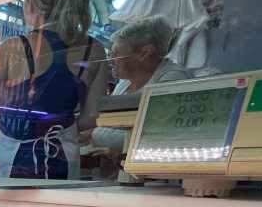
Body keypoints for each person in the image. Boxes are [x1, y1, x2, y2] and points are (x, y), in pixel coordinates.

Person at [0, 0, 108, 180]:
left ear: (32, 6)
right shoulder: (94, 49)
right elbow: (92, 117)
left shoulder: (10, 47)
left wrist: (15, 137)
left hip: (12, 156)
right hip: (63, 154)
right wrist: (61, 129)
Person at [82, 17, 192, 159]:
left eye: (116, 53)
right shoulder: (124, 83)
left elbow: (154, 135)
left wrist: (95, 135)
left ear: (145, 53)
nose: (110, 61)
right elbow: (109, 123)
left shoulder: (172, 80)